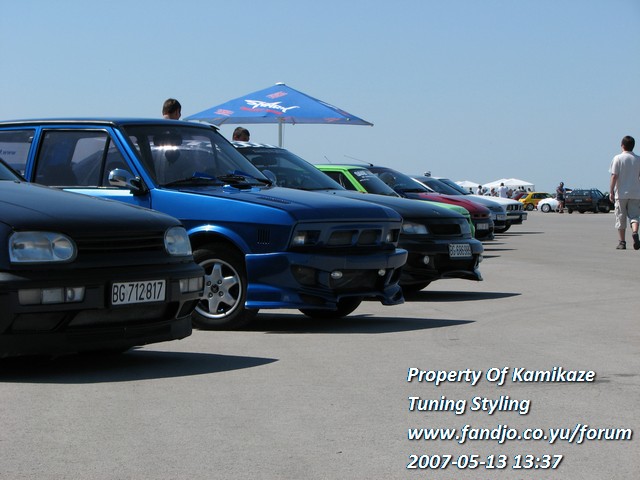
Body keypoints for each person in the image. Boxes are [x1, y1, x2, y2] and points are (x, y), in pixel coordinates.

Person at [608, 135, 640, 250]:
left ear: (622, 145)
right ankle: (635, 232)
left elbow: (614, 176)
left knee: (620, 217)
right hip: (635, 193)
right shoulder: (638, 159)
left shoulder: (617, 158)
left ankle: (622, 242)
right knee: (635, 216)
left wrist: (611, 191)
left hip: (621, 194)